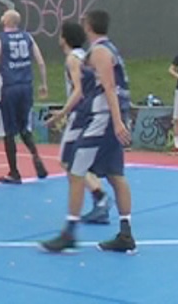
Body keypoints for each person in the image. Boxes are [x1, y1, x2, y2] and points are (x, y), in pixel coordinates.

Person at [41, 9, 136, 254]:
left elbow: (110, 87)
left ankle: (69, 232)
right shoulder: (106, 49)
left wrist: (116, 122)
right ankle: (125, 233)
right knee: (115, 175)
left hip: (102, 119)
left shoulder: (101, 52)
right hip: (106, 117)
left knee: (76, 171)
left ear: (89, 26)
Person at [45, 20, 111, 224]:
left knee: (68, 162)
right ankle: (99, 200)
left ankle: (100, 197)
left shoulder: (73, 59)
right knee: (78, 162)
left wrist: (62, 113)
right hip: (91, 112)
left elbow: (78, 90)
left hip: (81, 113)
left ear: (64, 38)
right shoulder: (85, 56)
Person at [0, 9, 48, 184]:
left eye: (3, 15)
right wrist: (43, 84)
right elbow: (41, 62)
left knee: (7, 131)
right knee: (24, 128)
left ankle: (14, 172)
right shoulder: (28, 37)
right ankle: (35, 155)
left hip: (8, 87)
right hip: (26, 87)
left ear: (7, 21)